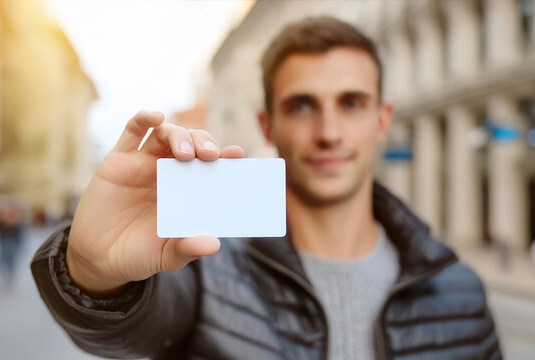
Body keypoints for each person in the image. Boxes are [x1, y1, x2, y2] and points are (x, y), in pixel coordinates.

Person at [32, 16, 501, 359]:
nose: (329, 132)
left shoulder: (459, 291)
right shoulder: (206, 266)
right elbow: (126, 332)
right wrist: (91, 273)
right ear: (267, 124)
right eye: (301, 106)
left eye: (351, 103)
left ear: (382, 121)